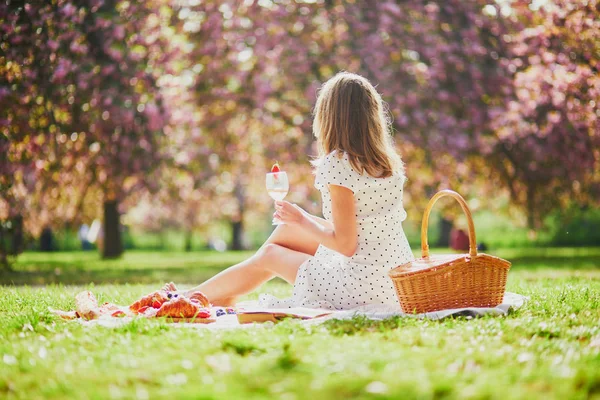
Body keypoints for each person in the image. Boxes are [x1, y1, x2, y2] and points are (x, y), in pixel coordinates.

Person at [183, 72, 414, 310]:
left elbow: (346, 245)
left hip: (361, 286)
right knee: (287, 229)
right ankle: (215, 294)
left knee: (270, 254)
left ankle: (192, 297)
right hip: (396, 281)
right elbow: (362, 228)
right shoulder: (387, 163)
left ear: (329, 117)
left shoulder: (339, 163)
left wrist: (302, 219)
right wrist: (297, 220)